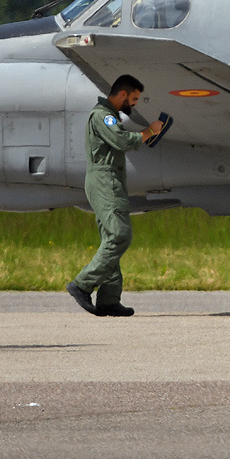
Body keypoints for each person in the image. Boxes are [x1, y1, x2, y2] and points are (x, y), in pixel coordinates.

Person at [66, 74, 163, 317]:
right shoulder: (103, 116)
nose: (135, 103)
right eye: (133, 98)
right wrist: (149, 131)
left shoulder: (109, 116)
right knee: (120, 235)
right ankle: (82, 284)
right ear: (122, 94)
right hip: (105, 180)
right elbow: (121, 140)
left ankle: (109, 299)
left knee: (111, 238)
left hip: (109, 180)